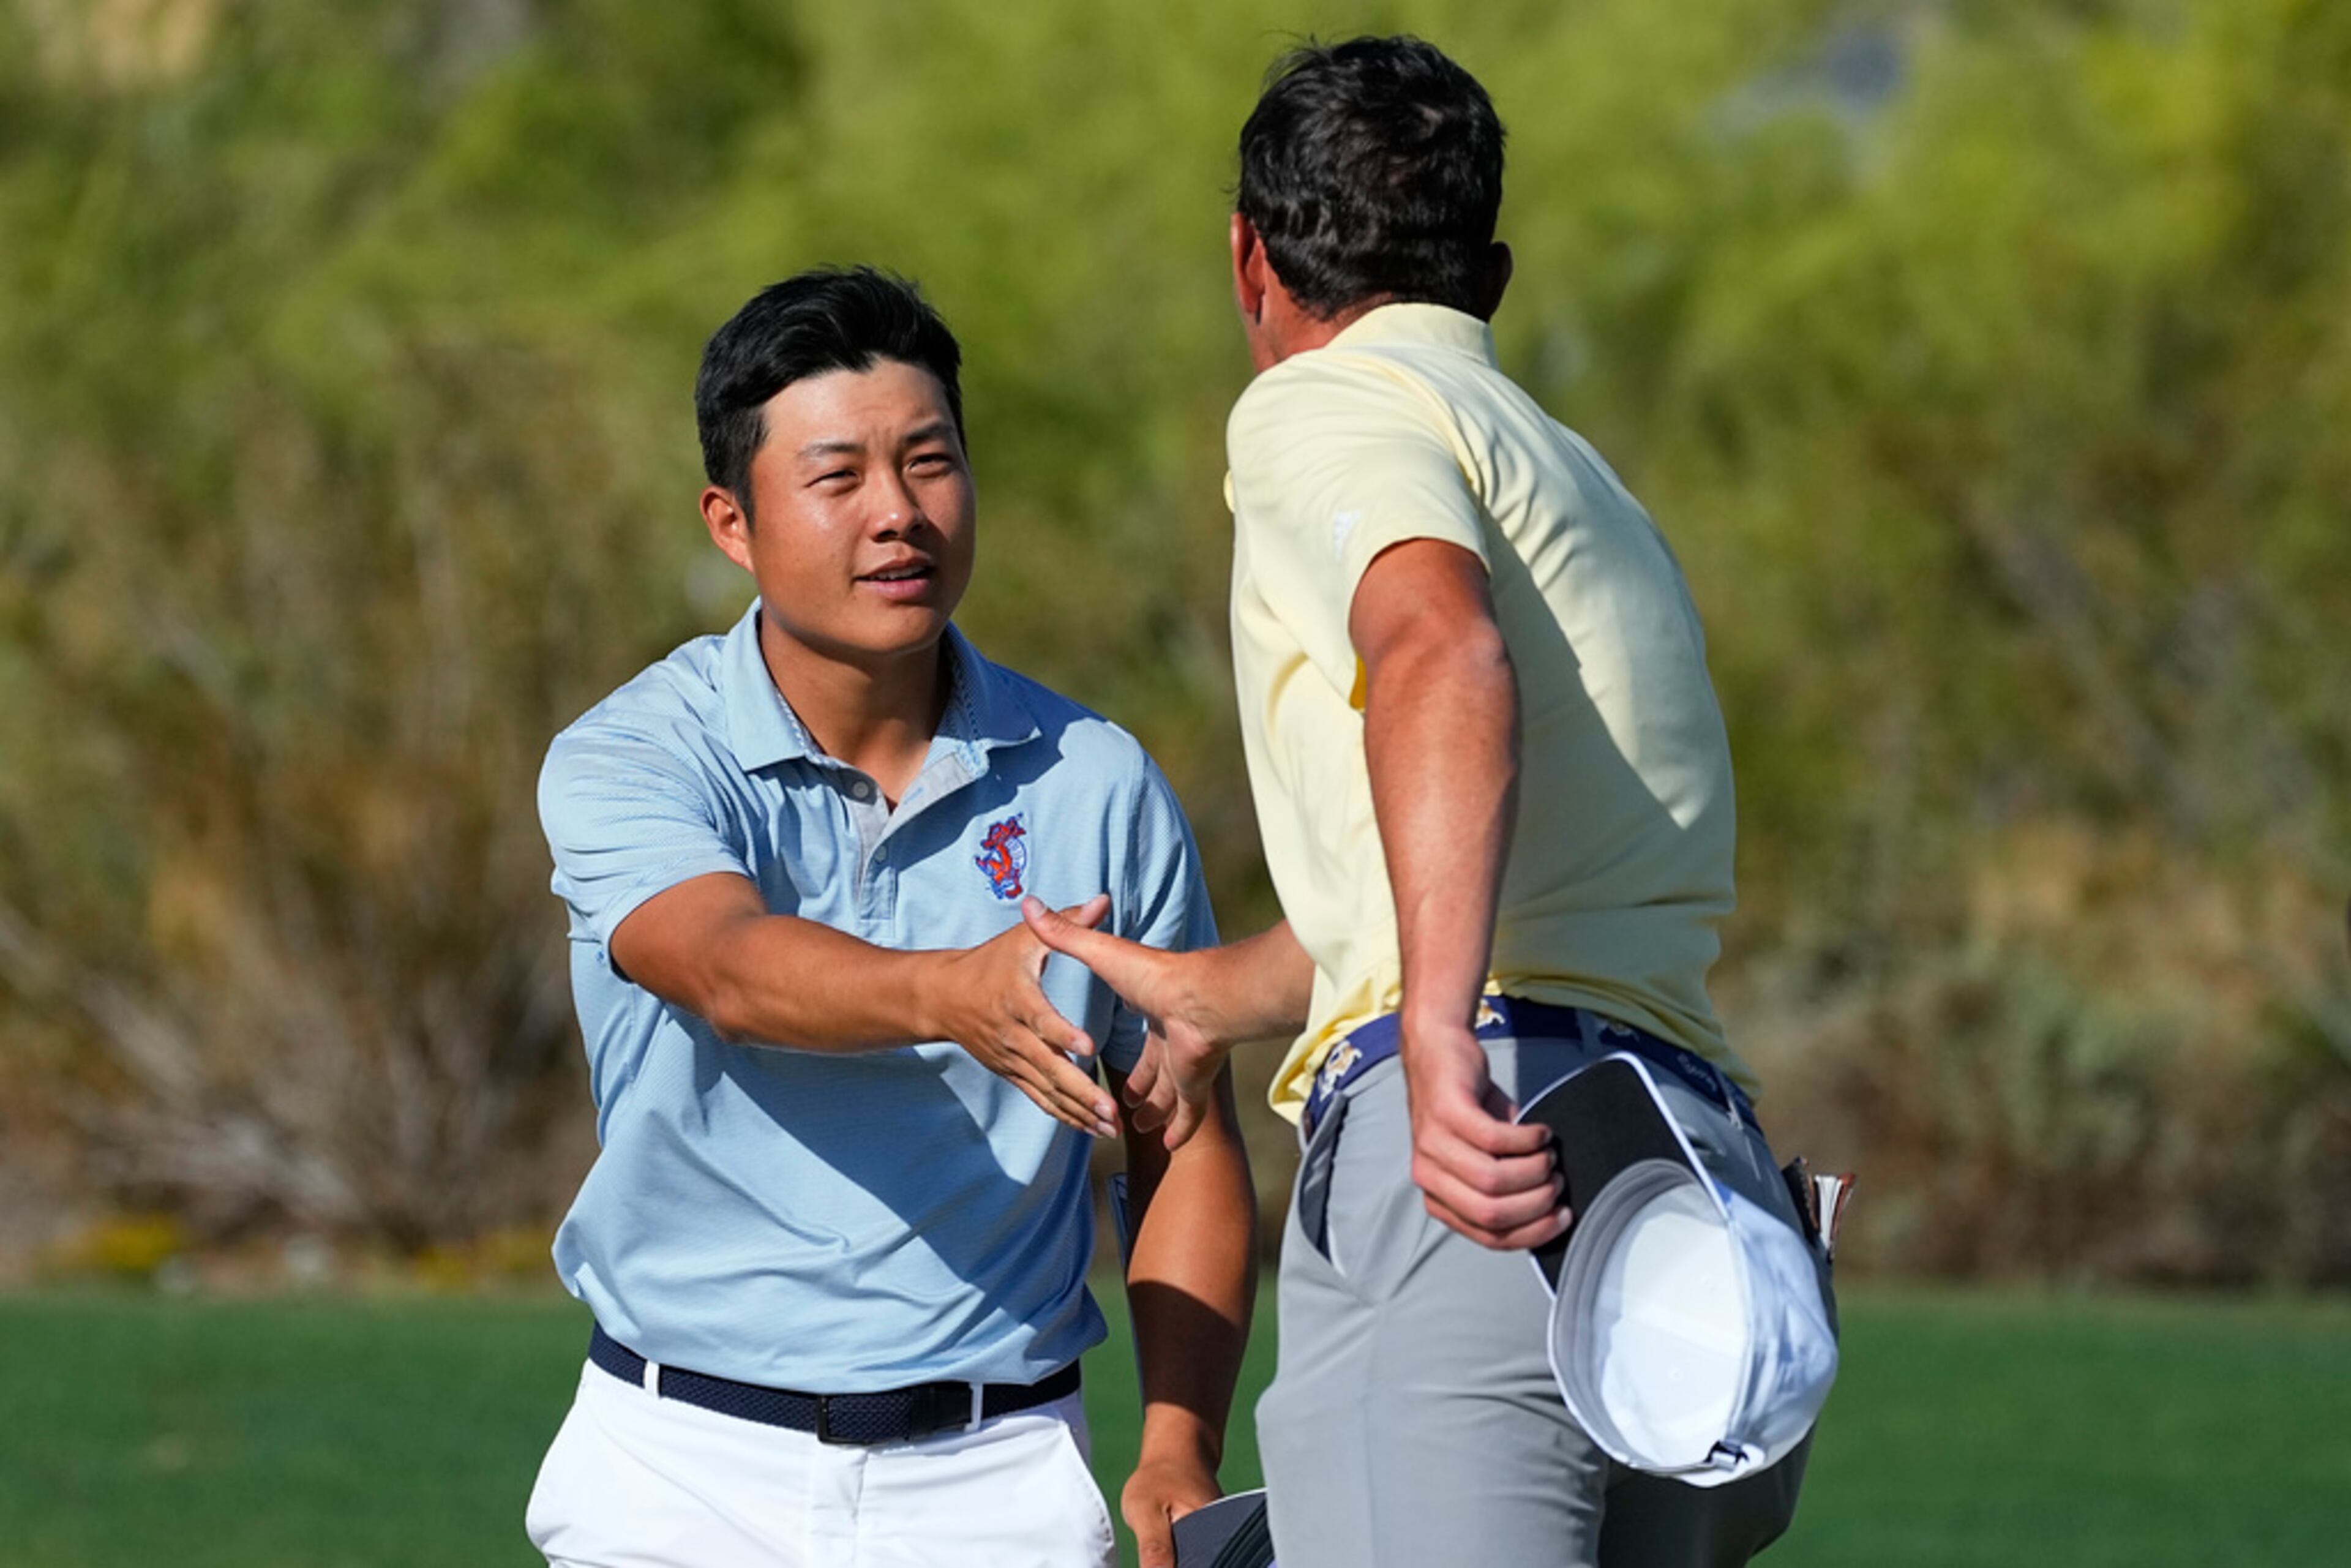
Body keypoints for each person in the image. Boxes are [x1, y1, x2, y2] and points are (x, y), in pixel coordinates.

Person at [1025, 36, 1825, 1568]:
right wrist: (1209, 995)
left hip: (1481, 1168)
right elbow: (1436, 872)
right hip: (1692, 1203)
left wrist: (1438, 1033)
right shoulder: (1581, 482)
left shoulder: (1320, 406)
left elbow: (1439, 660)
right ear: (1492, 277)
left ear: (1250, 258)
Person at [526, 266, 1256, 1568]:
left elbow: (1183, 1137)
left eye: (930, 463)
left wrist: (1177, 1442)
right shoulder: (632, 753)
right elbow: (725, 964)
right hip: (677, 1467)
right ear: (731, 524)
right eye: (838, 477)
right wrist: (949, 995)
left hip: (1003, 1481)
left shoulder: (1094, 777)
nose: (899, 515)